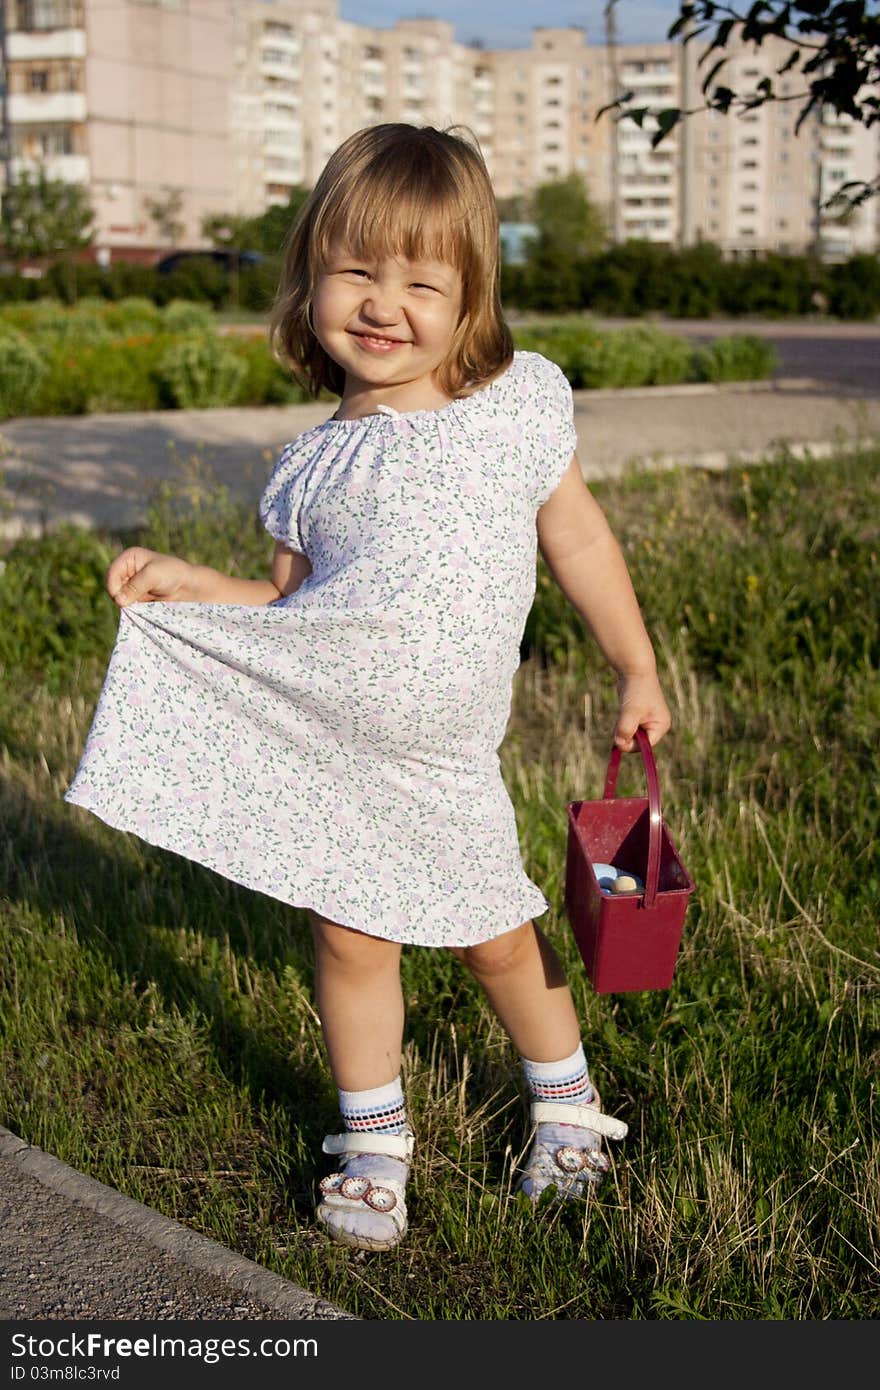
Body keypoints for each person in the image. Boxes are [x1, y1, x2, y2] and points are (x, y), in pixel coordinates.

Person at [64, 123, 671, 1253]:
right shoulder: (313, 465)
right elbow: (294, 613)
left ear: (471, 295)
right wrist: (195, 585)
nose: (383, 303)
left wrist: (633, 662)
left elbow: (578, 540)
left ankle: (567, 1103)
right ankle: (374, 1138)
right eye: (356, 272)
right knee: (349, 940)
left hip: (443, 758)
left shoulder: (515, 407)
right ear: (309, 281)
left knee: (497, 935)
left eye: (420, 281)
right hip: (336, 749)